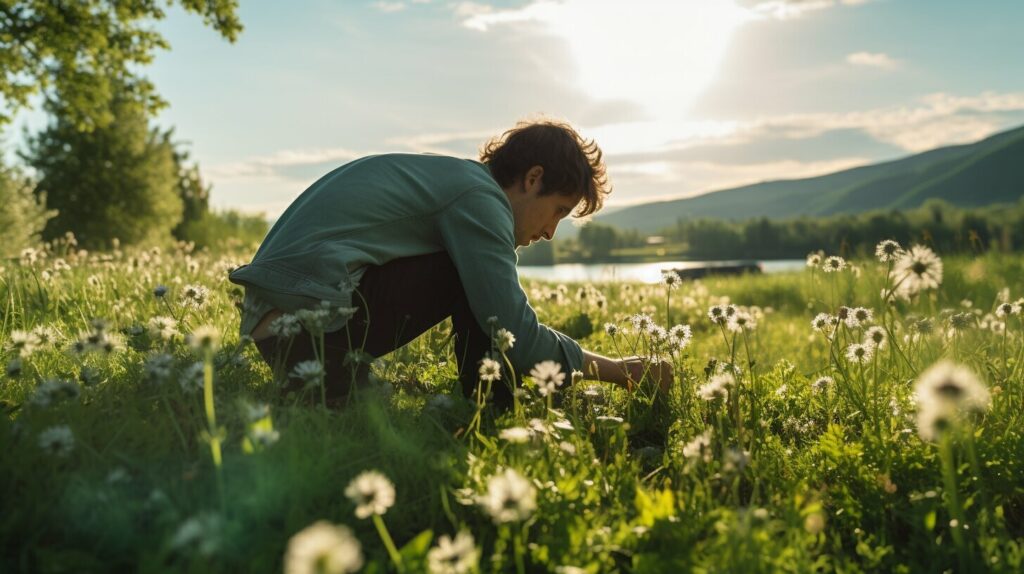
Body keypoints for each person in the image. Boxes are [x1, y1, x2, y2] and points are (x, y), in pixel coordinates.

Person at [228, 118, 672, 407]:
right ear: (533, 178)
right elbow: (513, 331)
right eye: (557, 209)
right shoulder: (478, 199)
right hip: (307, 332)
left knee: (474, 279)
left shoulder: (454, 183)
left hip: (285, 334)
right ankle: (491, 406)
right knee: (475, 283)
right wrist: (622, 371)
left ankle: (486, 398)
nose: (551, 232)